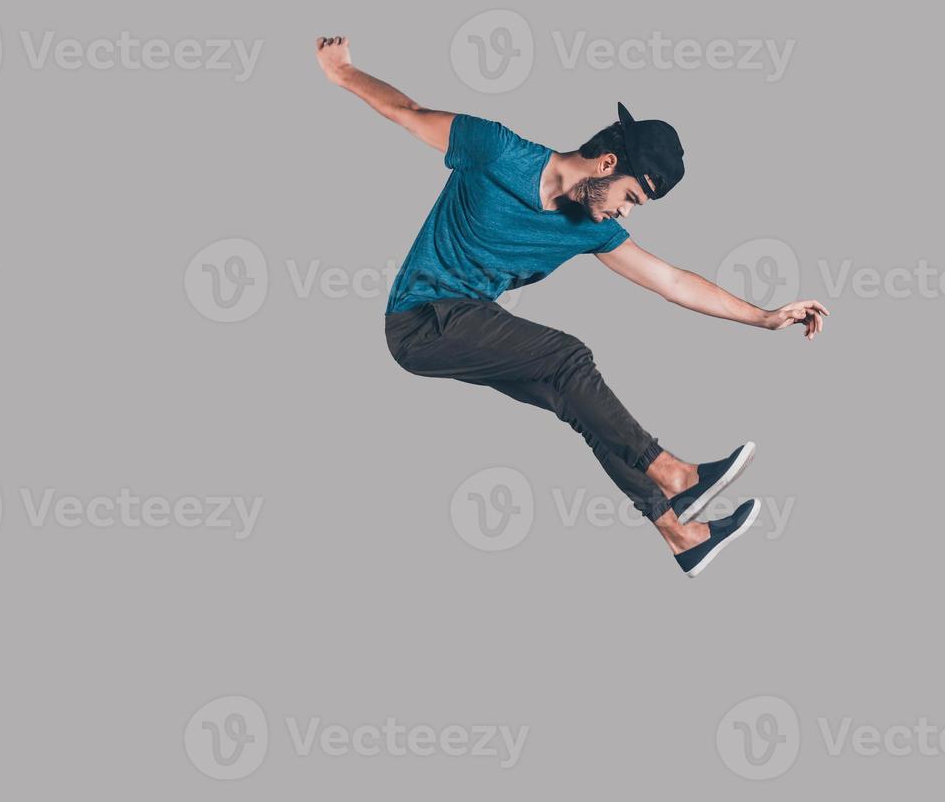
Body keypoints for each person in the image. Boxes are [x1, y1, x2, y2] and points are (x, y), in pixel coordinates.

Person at [317, 36, 829, 576]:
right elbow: (407, 111)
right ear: (606, 164)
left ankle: (681, 535)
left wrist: (765, 317)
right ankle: (675, 474)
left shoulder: (589, 230)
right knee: (568, 358)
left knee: (579, 403)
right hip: (420, 319)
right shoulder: (495, 150)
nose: (626, 214)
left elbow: (672, 280)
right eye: (630, 197)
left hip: (466, 322)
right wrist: (342, 71)